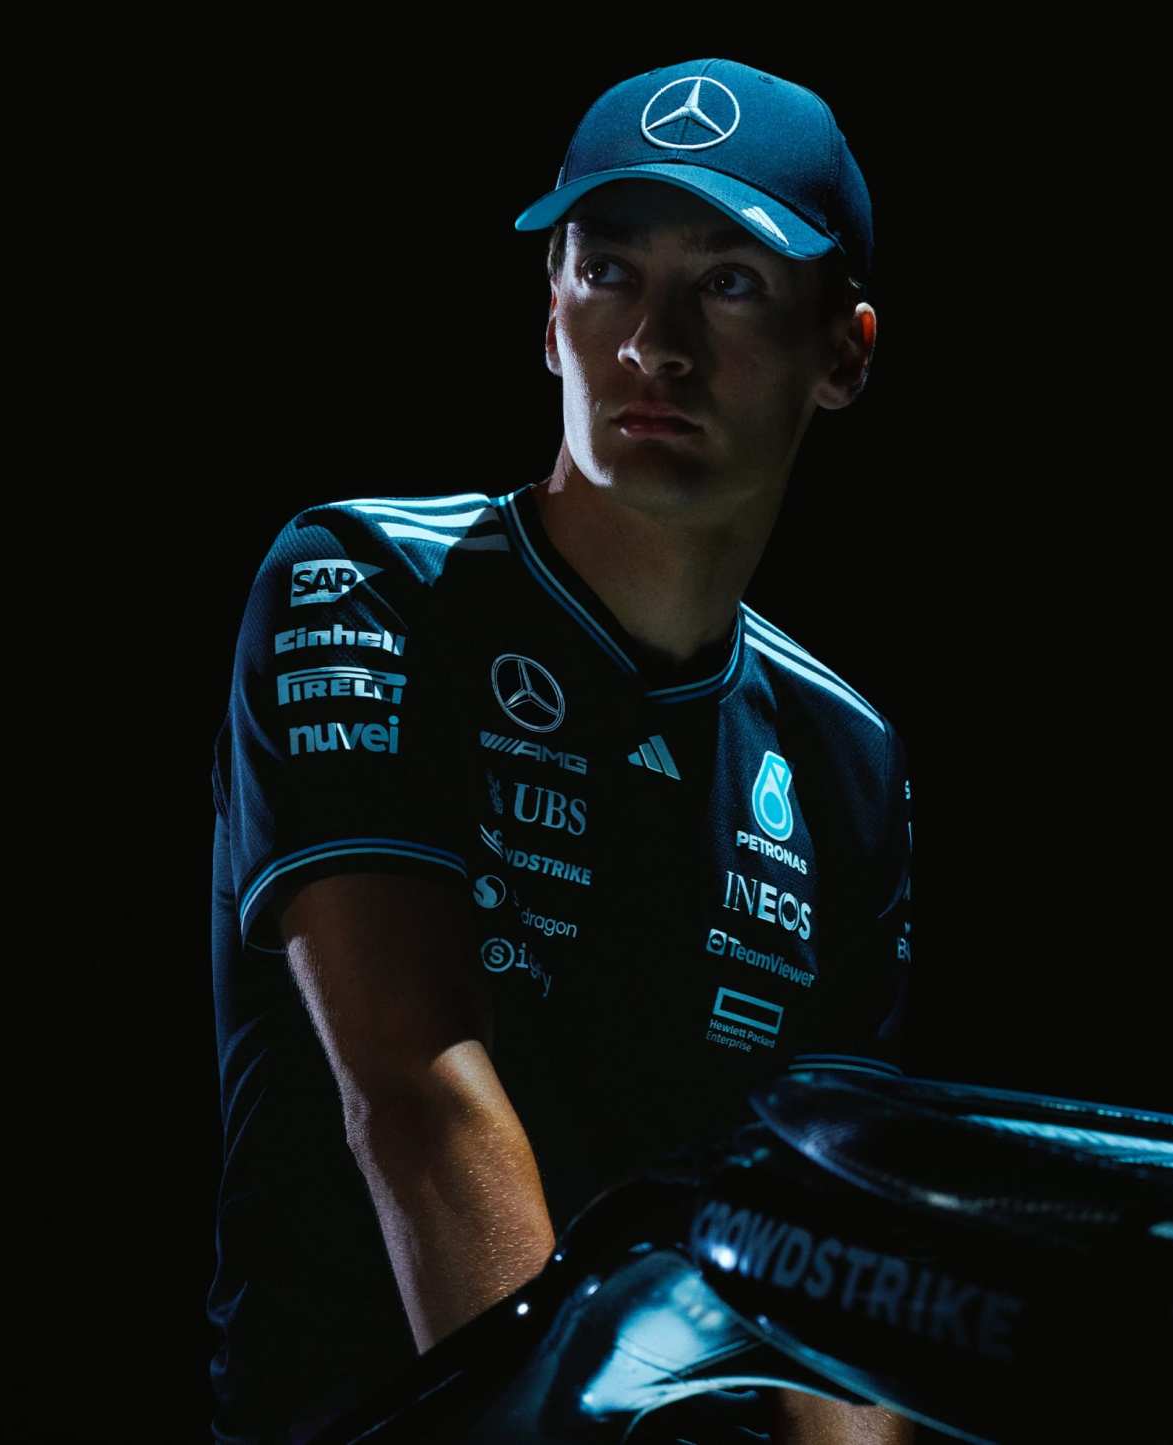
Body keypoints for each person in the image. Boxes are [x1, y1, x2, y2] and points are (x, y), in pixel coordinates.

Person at [208, 57, 915, 1444]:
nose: (654, 342)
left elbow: (830, 1233)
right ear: (550, 314)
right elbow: (418, 1088)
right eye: (607, 272)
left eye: (728, 283)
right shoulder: (365, 583)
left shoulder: (846, 753)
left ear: (843, 351)